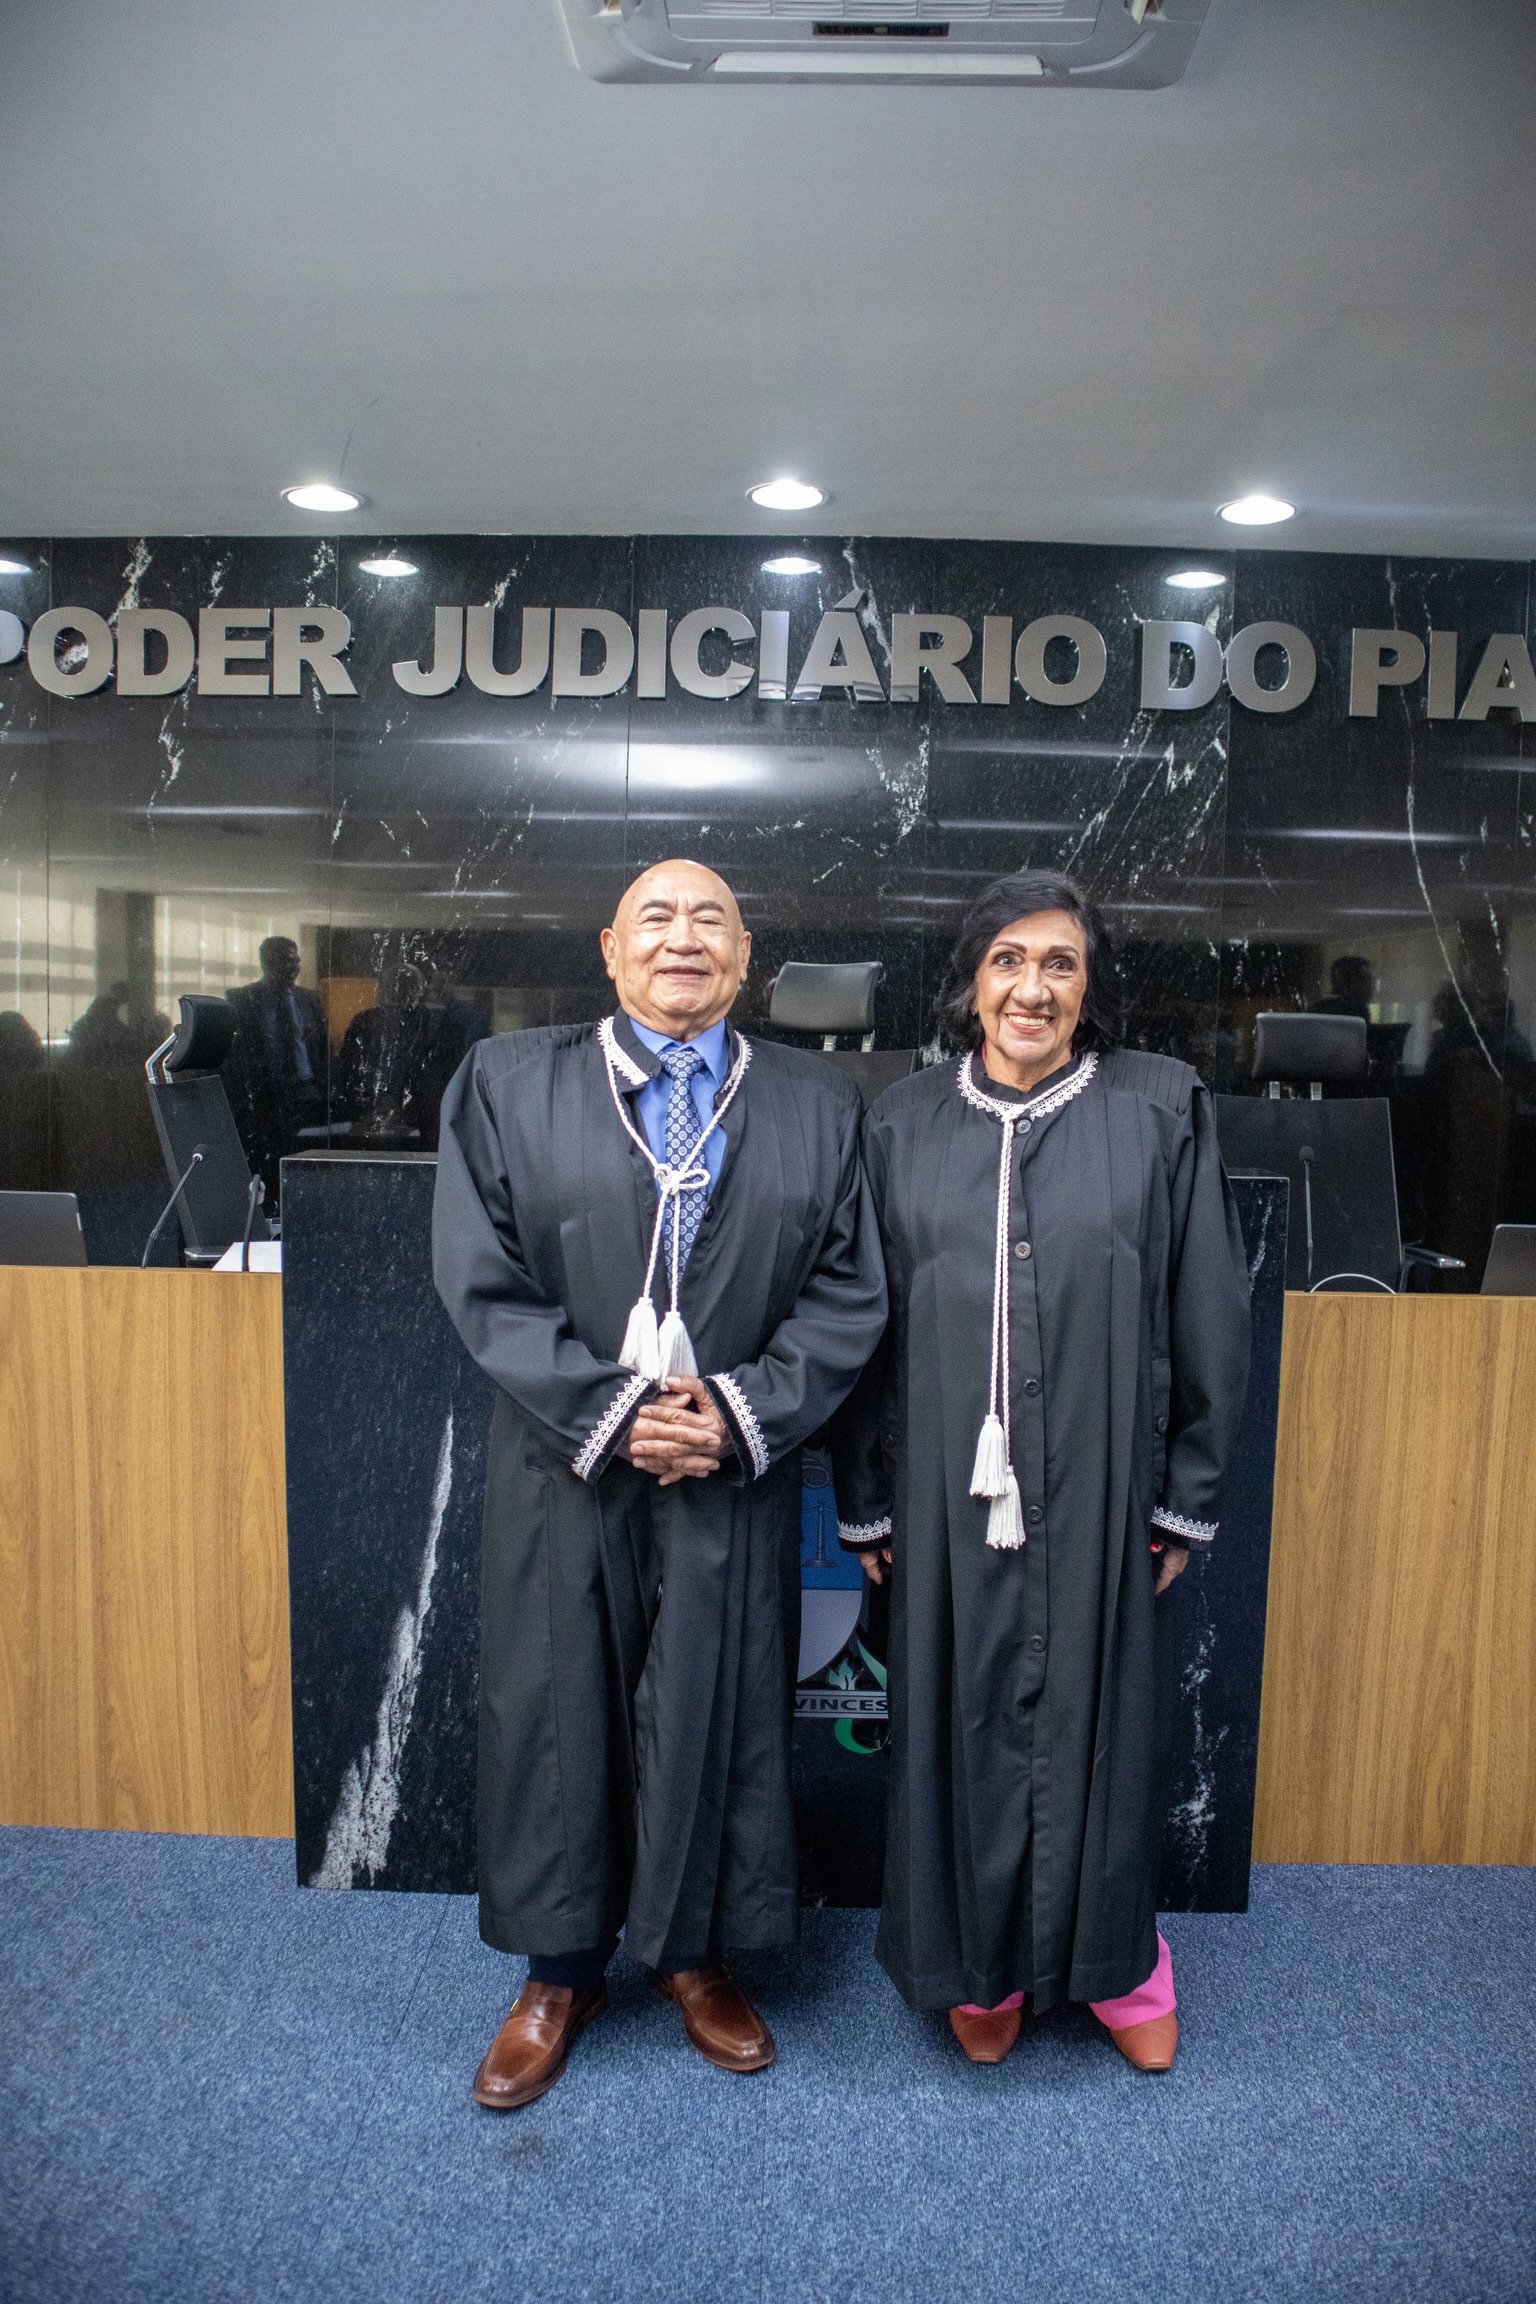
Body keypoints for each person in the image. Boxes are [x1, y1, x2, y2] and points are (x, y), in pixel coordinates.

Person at [432, 859, 887, 2111]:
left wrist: (737, 1414)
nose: (683, 939)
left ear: (744, 958)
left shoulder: (816, 1101)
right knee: (557, 1707)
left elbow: (850, 1289)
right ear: (610, 948)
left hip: (728, 1465)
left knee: (716, 1705)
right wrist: (612, 1410)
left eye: (710, 921)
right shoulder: (507, 1084)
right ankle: (559, 1972)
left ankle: (694, 1957)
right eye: (656, 918)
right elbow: (478, 1274)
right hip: (562, 1463)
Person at [832, 871, 1250, 2073]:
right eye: (1008, 960)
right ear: (971, 982)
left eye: (1059, 963)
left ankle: (1121, 1965)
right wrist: (866, 1499)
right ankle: (984, 1964)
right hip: (944, 1491)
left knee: (1098, 1723)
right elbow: (860, 1321)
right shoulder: (901, 1123)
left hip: (1105, 1482)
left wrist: (1187, 1493)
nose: (1032, 987)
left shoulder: (1160, 1108)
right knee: (961, 1719)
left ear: (1089, 985)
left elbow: (1209, 1310)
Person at [225, 936, 328, 1199]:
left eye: (297, 961)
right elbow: (236, 1053)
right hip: (266, 1094)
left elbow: (321, 1046)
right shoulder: (241, 998)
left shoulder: (310, 998)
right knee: (270, 1159)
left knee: (306, 1158)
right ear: (267, 962)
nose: (294, 967)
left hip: (307, 1092)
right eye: (287, 961)